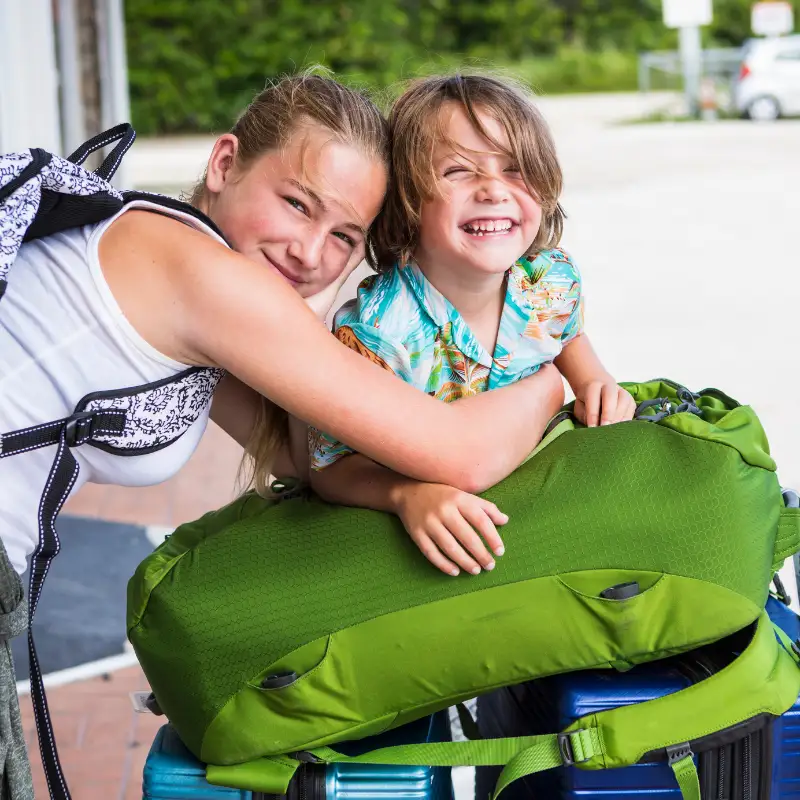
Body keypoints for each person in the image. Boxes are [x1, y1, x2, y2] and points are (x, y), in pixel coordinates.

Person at [0, 73, 563, 793]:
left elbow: (303, 456)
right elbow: (462, 454)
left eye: (344, 237)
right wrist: (552, 377)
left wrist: (390, 467)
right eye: (297, 204)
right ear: (225, 163)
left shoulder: (182, 259)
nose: (308, 251)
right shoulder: (207, 278)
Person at [307, 74, 636, 578]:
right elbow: (328, 469)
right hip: (434, 554)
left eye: (516, 169)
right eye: (458, 170)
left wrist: (594, 379)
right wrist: (407, 495)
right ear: (407, 198)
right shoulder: (376, 336)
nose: (493, 191)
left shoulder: (548, 279)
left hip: (535, 523)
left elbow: (565, 332)